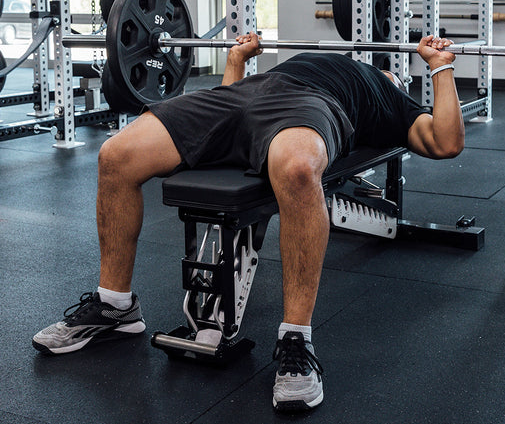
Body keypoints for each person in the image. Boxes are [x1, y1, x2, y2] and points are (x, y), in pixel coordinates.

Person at [33, 33, 464, 412]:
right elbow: (224, 133)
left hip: (308, 106)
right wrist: (236, 62)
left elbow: (446, 141)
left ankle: (296, 341)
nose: (387, 72)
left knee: (297, 170)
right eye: (388, 72)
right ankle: (115, 306)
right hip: (248, 93)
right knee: (116, 155)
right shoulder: (334, 64)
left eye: (395, 76)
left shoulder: (392, 102)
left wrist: (440, 69)